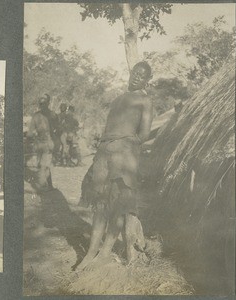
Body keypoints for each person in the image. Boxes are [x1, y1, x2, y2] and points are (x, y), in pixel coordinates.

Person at [77, 61, 153, 271]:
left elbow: (144, 134)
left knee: (119, 205)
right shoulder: (118, 99)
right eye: (134, 73)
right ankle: (91, 252)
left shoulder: (145, 100)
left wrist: (125, 146)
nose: (136, 77)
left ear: (147, 80)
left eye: (141, 75)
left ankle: (105, 252)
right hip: (104, 153)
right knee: (100, 204)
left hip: (124, 154)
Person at [26, 94, 56, 192]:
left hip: (45, 143)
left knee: (43, 165)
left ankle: (43, 185)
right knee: (43, 164)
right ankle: (47, 185)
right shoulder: (51, 115)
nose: (42, 105)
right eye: (41, 103)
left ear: (48, 103)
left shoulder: (50, 115)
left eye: (43, 103)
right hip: (42, 143)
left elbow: (30, 133)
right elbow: (30, 132)